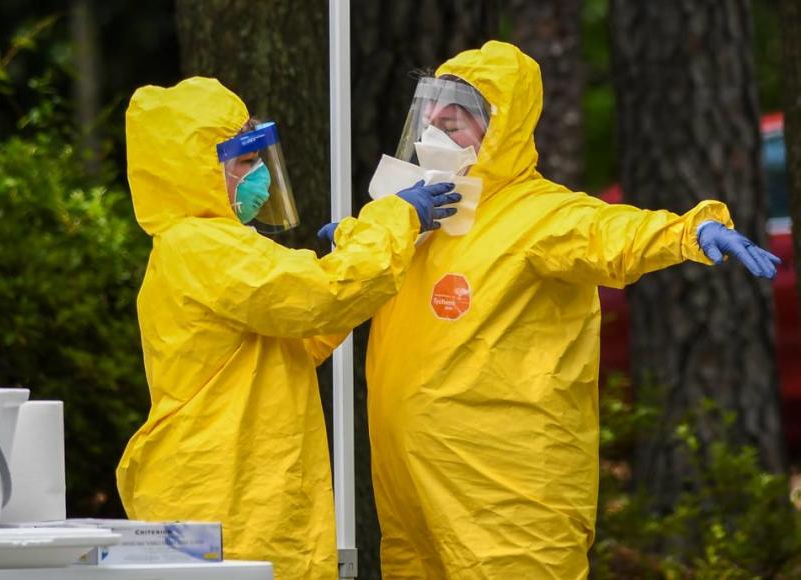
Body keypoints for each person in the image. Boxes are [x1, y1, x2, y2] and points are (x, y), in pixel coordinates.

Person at [354, 41, 780, 579]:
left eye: (455, 124)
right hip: (413, 489)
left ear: (499, 131)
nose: (435, 137)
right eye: (429, 121)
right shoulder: (417, 221)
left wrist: (688, 231)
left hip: (507, 496)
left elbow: (608, 233)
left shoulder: (539, 216)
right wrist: (362, 241)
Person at [114, 77, 460, 580]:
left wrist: (355, 260)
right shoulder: (201, 246)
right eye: (244, 163)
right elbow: (321, 297)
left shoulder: (210, 248)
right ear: (195, 172)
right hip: (226, 491)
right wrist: (393, 220)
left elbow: (299, 337)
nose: (260, 178)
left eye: (259, 161)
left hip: (233, 485)